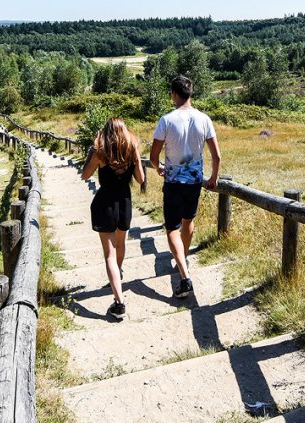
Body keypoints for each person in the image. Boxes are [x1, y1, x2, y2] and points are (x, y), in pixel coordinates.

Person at [149, 75, 221, 299]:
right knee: (188, 221)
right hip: (195, 181)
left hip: (173, 182)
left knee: (171, 228)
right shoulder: (204, 119)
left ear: (174, 94)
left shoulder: (166, 120)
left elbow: (153, 157)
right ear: (191, 93)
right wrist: (214, 178)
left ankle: (184, 277)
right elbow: (216, 156)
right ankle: (184, 259)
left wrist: (159, 167)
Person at [80, 117, 145, 320]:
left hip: (105, 201)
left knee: (109, 254)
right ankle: (118, 275)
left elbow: (85, 175)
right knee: (121, 244)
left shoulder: (101, 153)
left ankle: (119, 302)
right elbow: (141, 179)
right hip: (124, 201)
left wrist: (92, 154)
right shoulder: (132, 150)